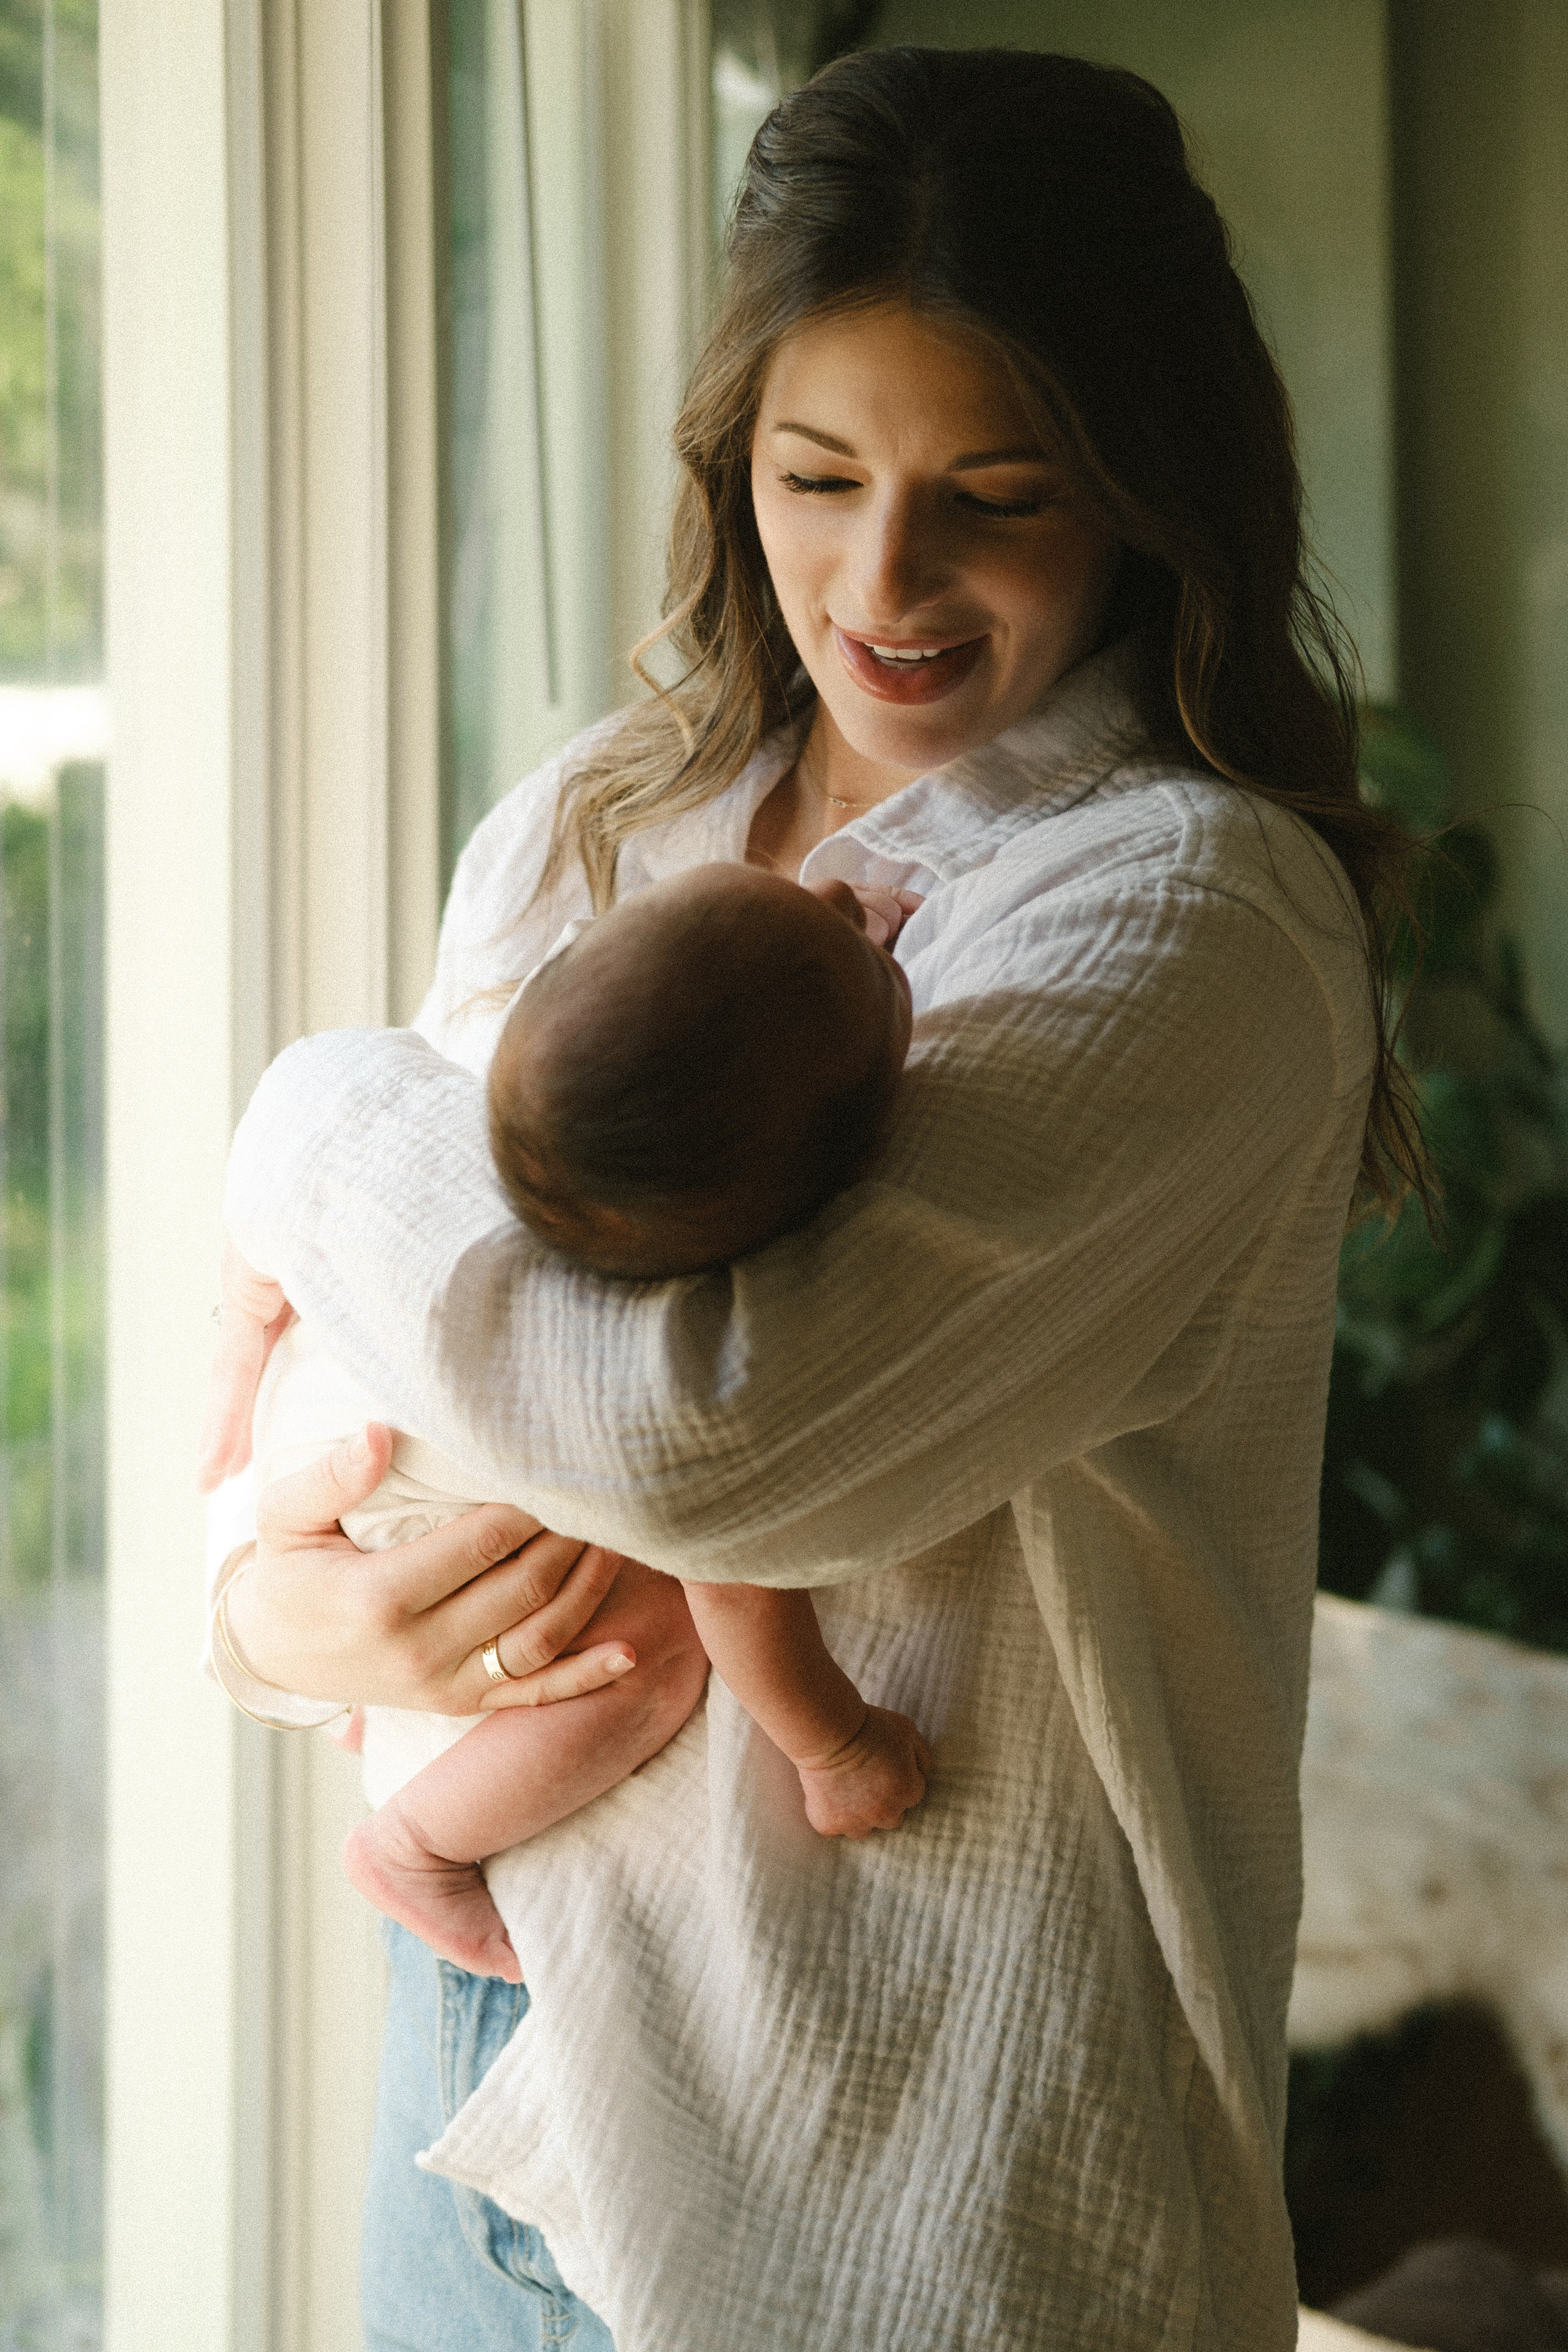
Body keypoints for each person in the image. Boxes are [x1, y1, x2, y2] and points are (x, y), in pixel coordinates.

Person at [197, 47, 1423, 2352]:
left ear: (1153, 493)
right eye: (816, 474)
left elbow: (705, 1438)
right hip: (478, 2065)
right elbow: (348, 1387)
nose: (887, 580)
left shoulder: (1182, 912)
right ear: (729, 460)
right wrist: (289, 1630)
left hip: (883, 2164)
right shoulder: (599, 824)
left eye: (997, 491)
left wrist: (293, 1116)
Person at [228, 865, 930, 1984]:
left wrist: (823, 946)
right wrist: (834, 1744)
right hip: (375, 1497)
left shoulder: (520, 1108)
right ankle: (413, 1844)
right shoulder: (676, 1376)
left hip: (327, 1387)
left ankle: (410, 1727)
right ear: (823, 1189)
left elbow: (705, 1009)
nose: (846, 897)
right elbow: (743, 1590)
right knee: (652, 1649)